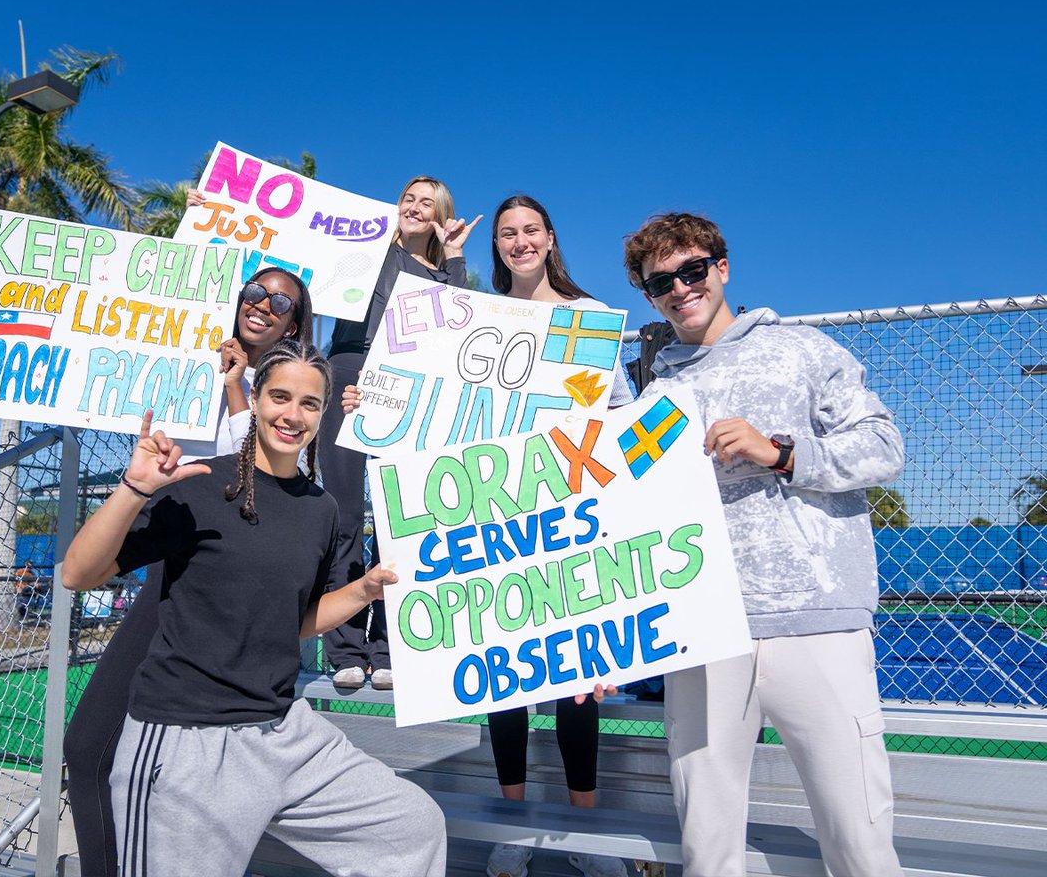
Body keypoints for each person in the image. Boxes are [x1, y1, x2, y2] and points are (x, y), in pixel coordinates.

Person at [0, 265, 316, 876]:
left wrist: (239, 386)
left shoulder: (293, 396)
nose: (263, 304)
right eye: (254, 291)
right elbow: (81, 334)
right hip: (174, 563)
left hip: (227, 588)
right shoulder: (180, 346)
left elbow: (257, 481)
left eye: (281, 300)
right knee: (90, 749)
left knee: (132, 758)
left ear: (295, 318)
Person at [61, 339, 447, 877]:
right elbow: (79, 574)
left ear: (323, 415)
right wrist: (133, 488)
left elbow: (294, 622)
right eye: (280, 397)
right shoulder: (199, 486)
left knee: (411, 826)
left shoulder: (322, 510)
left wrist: (363, 592)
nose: (292, 415)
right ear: (256, 398)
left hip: (284, 732)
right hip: (186, 743)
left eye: (309, 404)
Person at [342, 194, 632, 877]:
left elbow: (618, 411)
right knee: (506, 683)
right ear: (496, 246)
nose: (520, 242)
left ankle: (583, 838)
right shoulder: (477, 317)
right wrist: (371, 400)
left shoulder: (588, 320)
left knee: (575, 679)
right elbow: (428, 398)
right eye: (508, 233)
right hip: (492, 510)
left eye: (531, 230)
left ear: (551, 238)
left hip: (568, 515)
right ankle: (516, 828)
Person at [617, 212, 905, 877]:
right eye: (662, 281)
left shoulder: (803, 349)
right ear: (649, 295)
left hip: (815, 623)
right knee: (709, 850)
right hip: (703, 632)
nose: (680, 288)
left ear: (721, 267)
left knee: (859, 844)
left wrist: (779, 451)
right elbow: (629, 514)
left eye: (692, 270)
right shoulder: (657, 391)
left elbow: (885, 448)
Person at [319, 175, 480, 690]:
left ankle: (389, 646)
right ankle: (345, 645)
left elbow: (458, 325)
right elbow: (287, 237)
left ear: (440, 214)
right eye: (407, 199)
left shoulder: (441, 270)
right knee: (343, 513)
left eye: (426, 203)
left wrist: (453, 256)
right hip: (347, 371)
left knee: (399, 517)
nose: (413, 207)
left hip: (409, 386)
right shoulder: (366, 249)